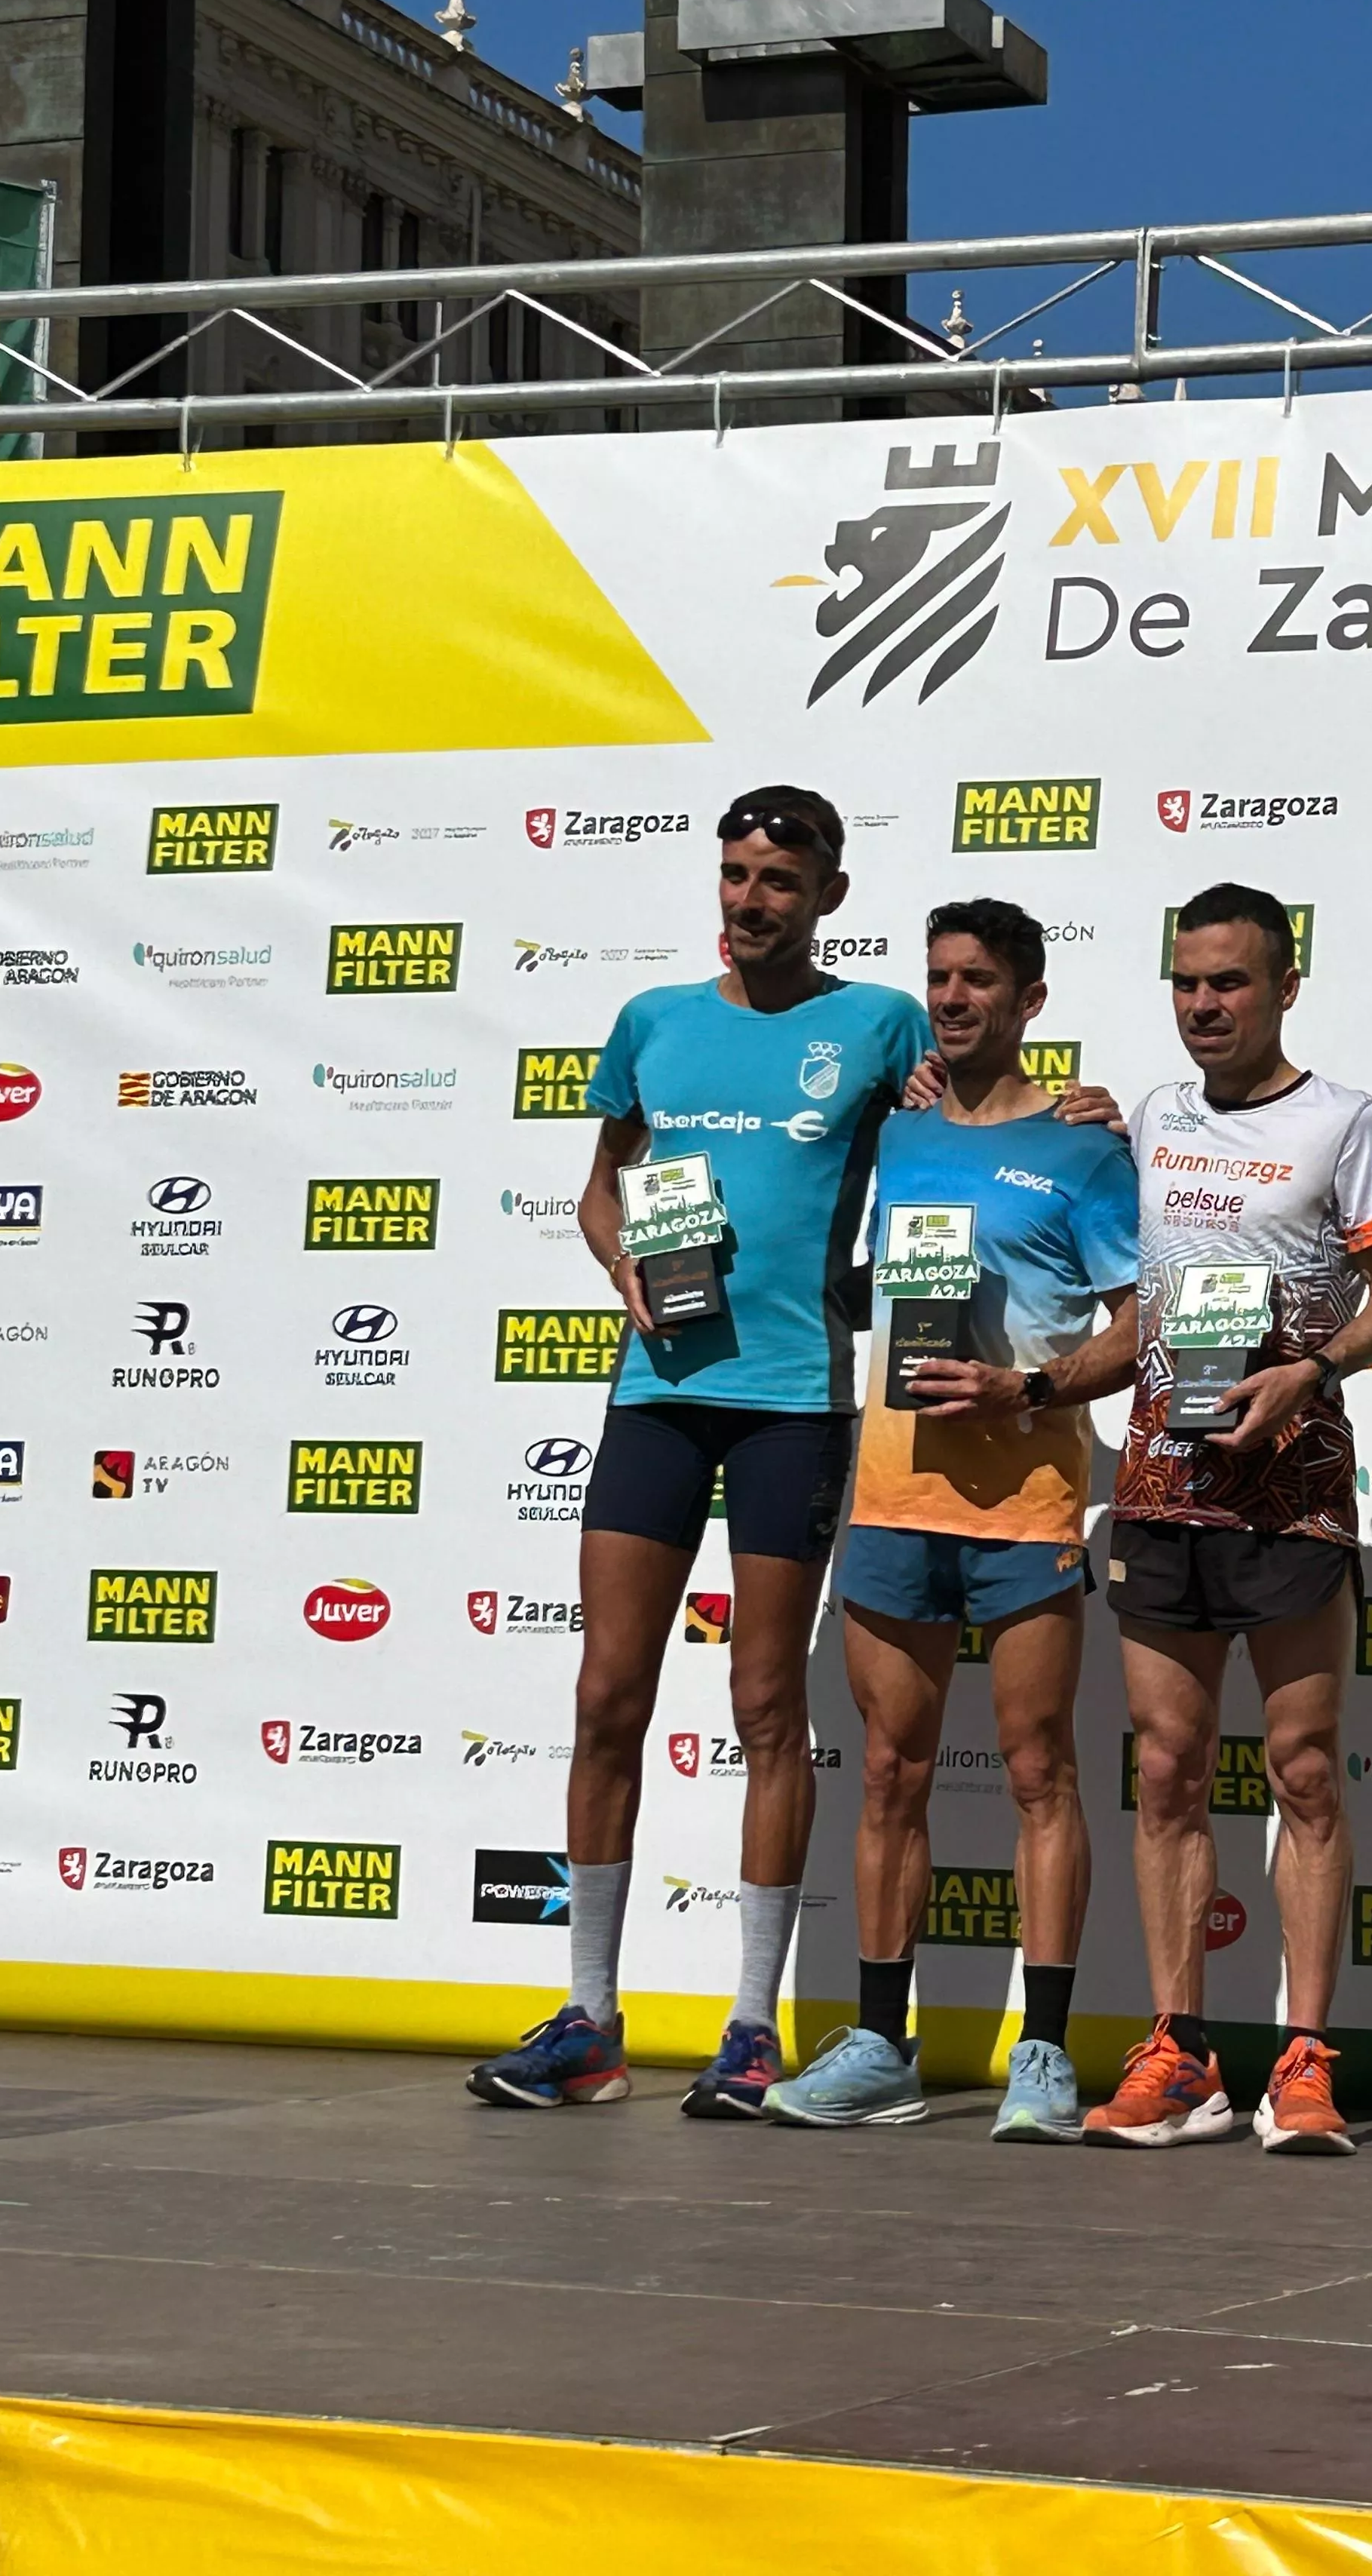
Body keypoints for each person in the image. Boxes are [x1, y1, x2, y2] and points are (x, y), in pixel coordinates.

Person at [468, 786, 932, 2116]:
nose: (750, 900)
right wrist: (622, 1266)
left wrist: (1068, 1113)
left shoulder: (879, 1022)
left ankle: (748, 2027)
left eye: (779, 882)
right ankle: (591, 2020)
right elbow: (600, 1186)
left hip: (794, 1398)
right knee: (607, 1697)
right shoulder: (653, 1024)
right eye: (734, 876)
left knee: (765, 1708)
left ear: (829, 894)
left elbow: (969, 1133)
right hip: (656, 1390)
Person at [762, 899, 1139, 2141]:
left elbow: (1140, 1330)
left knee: (1041, 1773)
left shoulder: (1086, 1147)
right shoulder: (899, 1123)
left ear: (1032, 999)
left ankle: (1043, 2051)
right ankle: (879, 2042)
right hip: (891, 1498)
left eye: (980, 979)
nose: (954, 997)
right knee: (886, 1773)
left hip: (1027, 1507)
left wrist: (1027, 1386)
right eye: (939, 978)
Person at [1085, 884, 1372, 2155]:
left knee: (1305, 1774)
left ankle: (1305, 2059)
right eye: (1185, 982)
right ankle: (1181, 2055)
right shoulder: (1147, 1116)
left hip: (1292, 1490)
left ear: (1285, 986)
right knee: (1166, 1772)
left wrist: (1314, 1372)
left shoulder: (1346, 1122)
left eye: (1228, 981)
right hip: (1163, 1486)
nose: (1203, 1005)